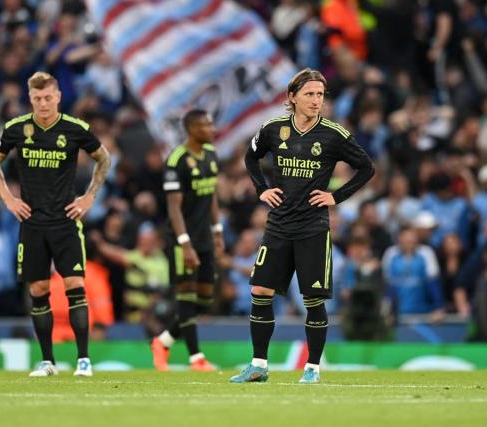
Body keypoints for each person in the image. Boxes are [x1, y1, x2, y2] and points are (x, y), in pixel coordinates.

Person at [233, 68, 374, 383]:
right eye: (309, 94)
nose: (316, 100)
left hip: (312, 227)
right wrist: (261, 189)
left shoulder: (334, 134)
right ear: (292, 97)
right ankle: (258, 365)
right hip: (278, 225)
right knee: (260, 290)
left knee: (312, 299)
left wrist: (336, 197)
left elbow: (366, 167)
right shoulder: (273, 129)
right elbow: (250, 158)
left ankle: (312, 369)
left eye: (320, 95)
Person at [0, 71, 110, 377]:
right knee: (39, 289)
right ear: (30, 99)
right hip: (32, 222)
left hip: (66, 220)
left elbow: (103, 159)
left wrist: (89, 197)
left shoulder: (75, 128)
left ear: (58, 97)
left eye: (48, 97)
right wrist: (8, 199)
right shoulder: (16, 129)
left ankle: (83, 360)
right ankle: (48, 361)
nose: (43, 103)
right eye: (37, 98)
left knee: (74, 286)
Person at [150, 109, 224, 372]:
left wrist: (217, 230)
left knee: (204, 299)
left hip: (204, 236)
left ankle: (162, 341)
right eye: (205, 125)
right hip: (183, 240)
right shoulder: (177, 160)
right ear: (191, 129)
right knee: (186, 298)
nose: (211, 129)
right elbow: (173, 207)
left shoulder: (212, 156)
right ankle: (196, 358)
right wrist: (184, 243)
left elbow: (212, 194)